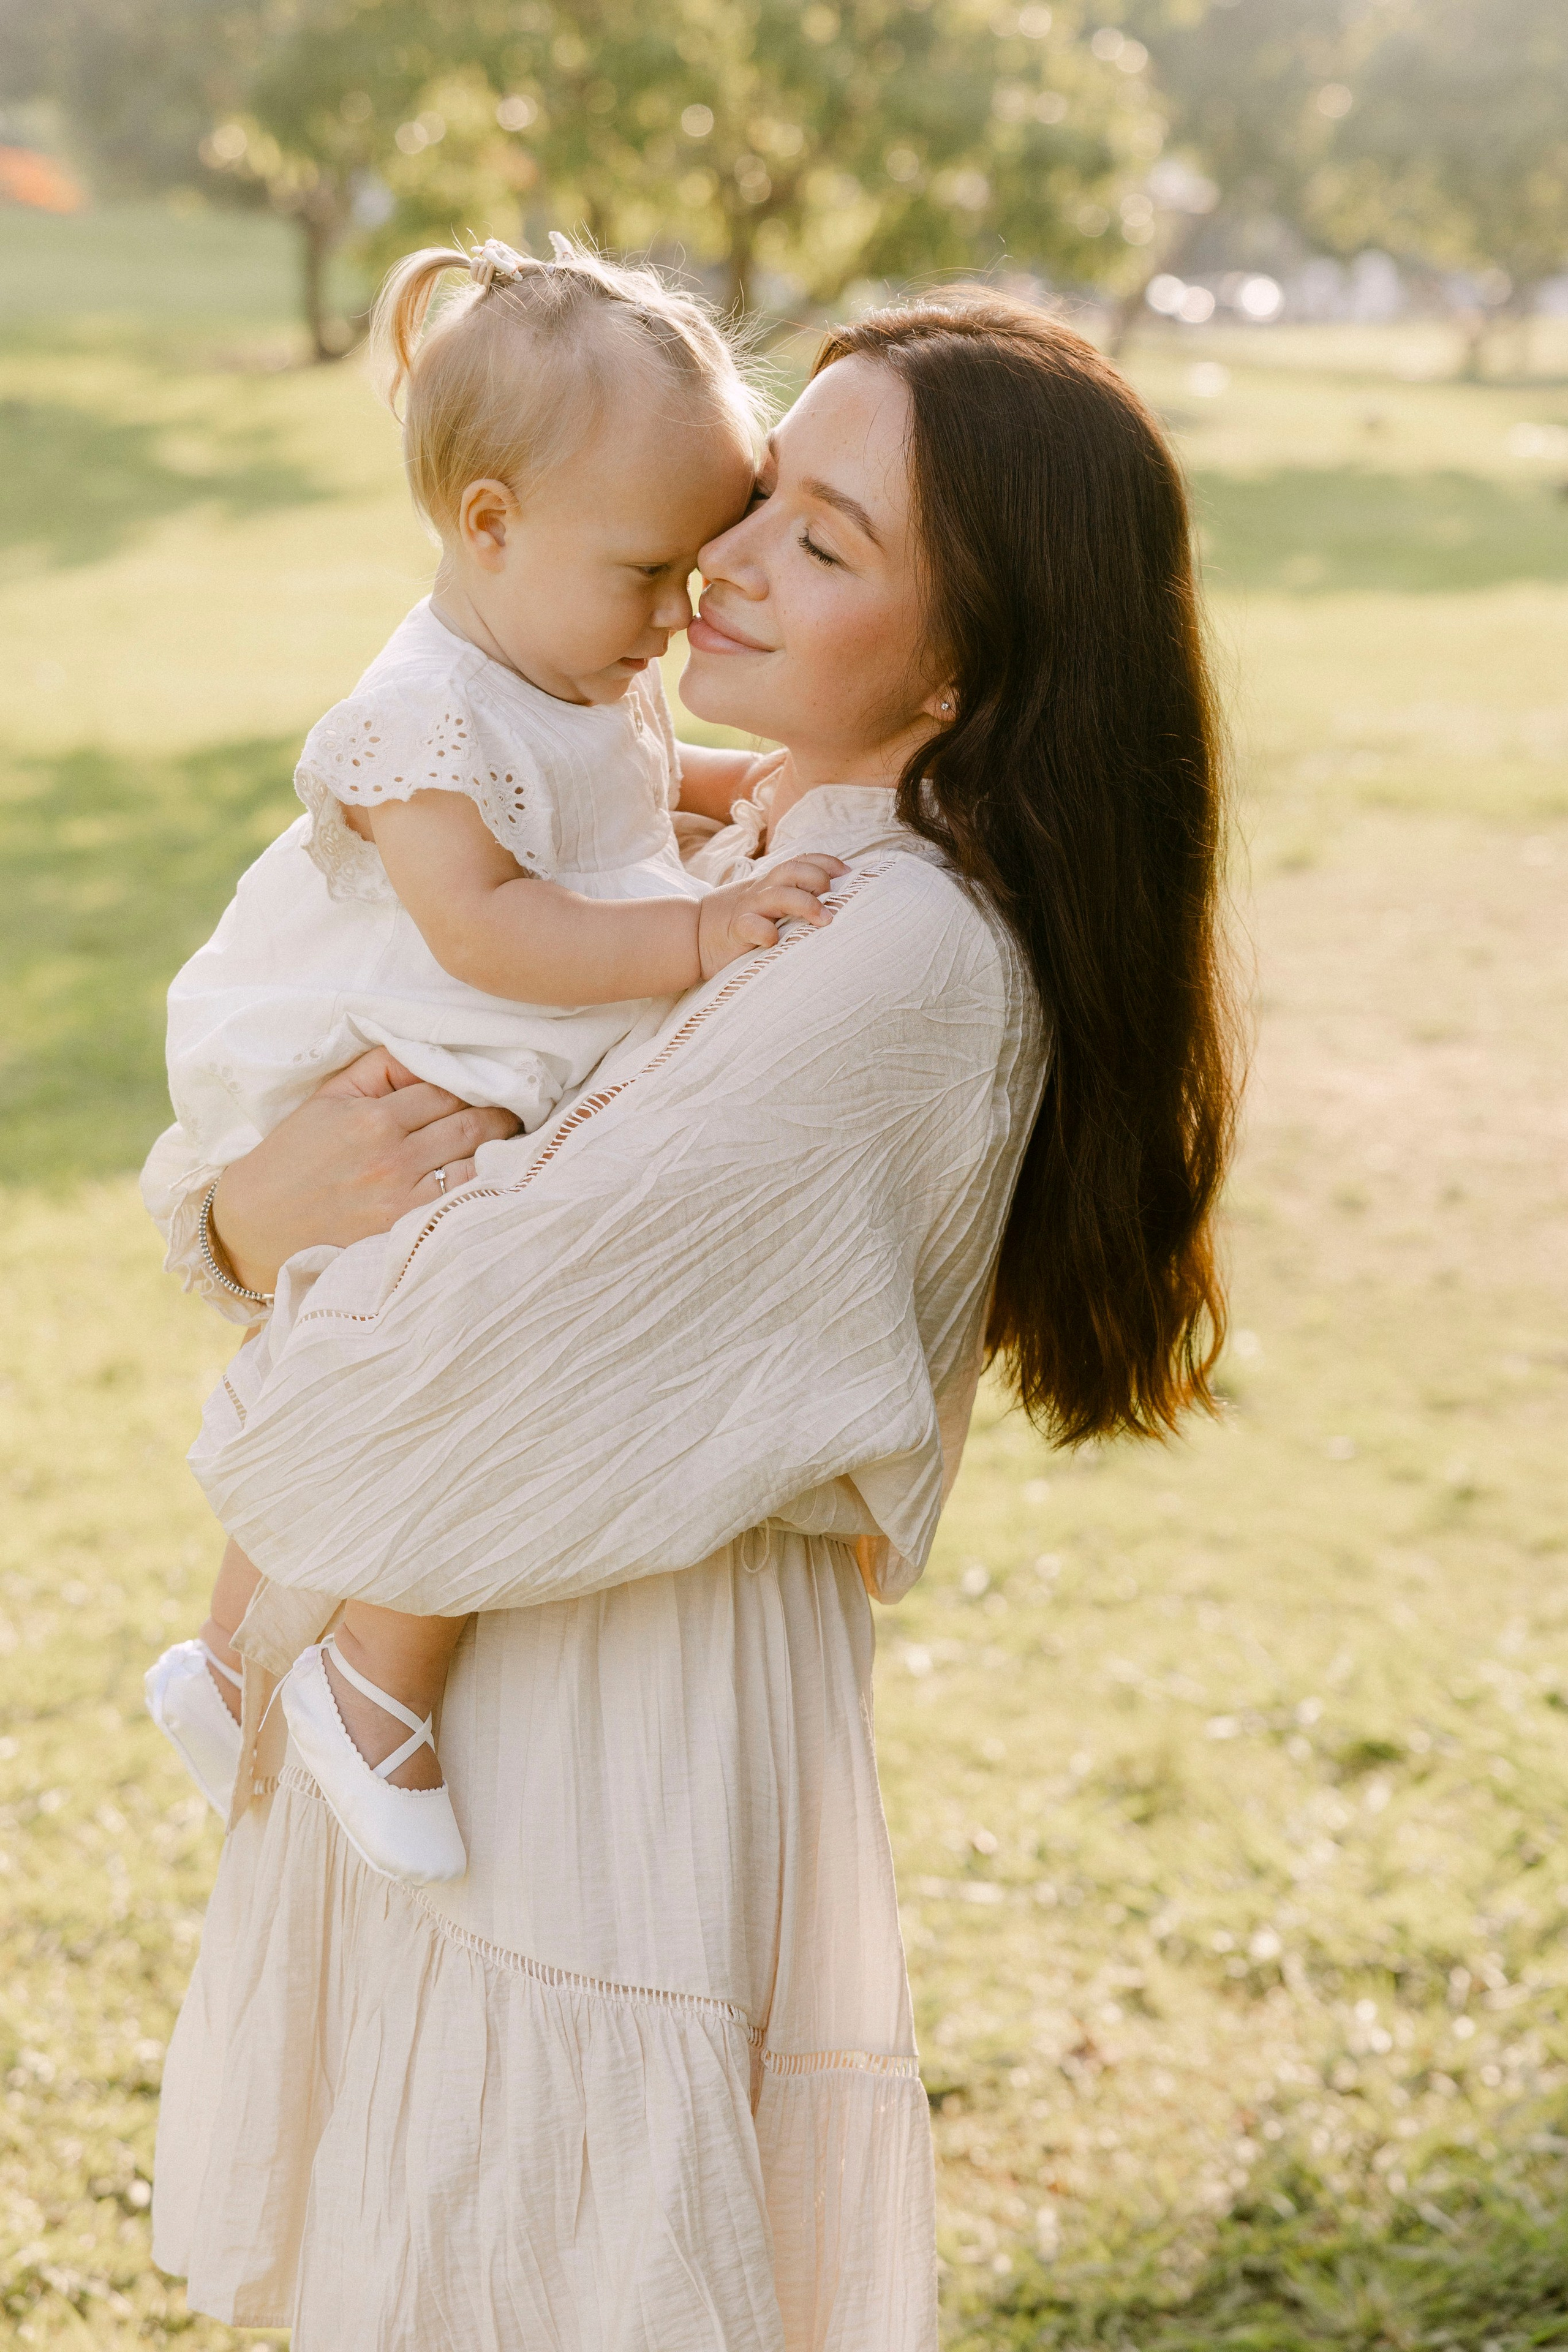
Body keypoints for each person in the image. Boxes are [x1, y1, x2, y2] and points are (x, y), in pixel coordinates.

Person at [148, 288, 1238, 2349]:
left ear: (974, 662)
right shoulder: (787, 847)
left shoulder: (891, 956)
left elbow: (411, 1378)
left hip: (604, 1744)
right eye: (760, 499)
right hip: (518, 1676)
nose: (720, 561)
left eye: (823, 543)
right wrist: (245, 1212)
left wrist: (251, 1239)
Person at [139, 235, 842, 1886]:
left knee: (439, 1312)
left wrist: (759, 782)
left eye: (697, 575)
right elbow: (491, 924)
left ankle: (234, 1651)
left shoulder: (571, 653)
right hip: (409, 1021)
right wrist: (693, 940)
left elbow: (621, 789)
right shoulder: (423, 717)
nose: (680, 622)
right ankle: (371, 1662)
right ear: (491, 525)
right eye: (649, 576)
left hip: (497, 1012)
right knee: (474, 1301)